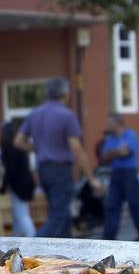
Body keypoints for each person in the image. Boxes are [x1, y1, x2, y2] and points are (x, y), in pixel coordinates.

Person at [16, 78, 94, 238]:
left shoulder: (35, 113)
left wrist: (38, 148)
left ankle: (63, 253)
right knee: (59, 215)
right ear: (65, 93)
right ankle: (32, 246)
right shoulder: (67, 115)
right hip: (61, 170)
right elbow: (76, 146)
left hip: (44, 169)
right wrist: (91, 177)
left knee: (61, 214)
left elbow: (18, 141)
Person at [100, 113, 139, 242]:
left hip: (129, 173)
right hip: (116, 173)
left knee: (135, 204)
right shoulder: (110, 138)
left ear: (118, 123)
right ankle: (109, 236)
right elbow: (104, 157)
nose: (107, 126)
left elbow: (126, 152)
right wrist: (117, 152)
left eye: (109, 123)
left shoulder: (130, 135)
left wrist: (112, 153)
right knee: (112, 205)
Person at [0, 117, 36, 237]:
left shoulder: (9, 148)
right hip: (26, 183)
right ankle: (17, 239)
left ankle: (33, 239)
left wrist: (3, 187)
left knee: (22, 215)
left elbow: (10, 170)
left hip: (19, 186)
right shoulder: (19, 147)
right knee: (19, 214)